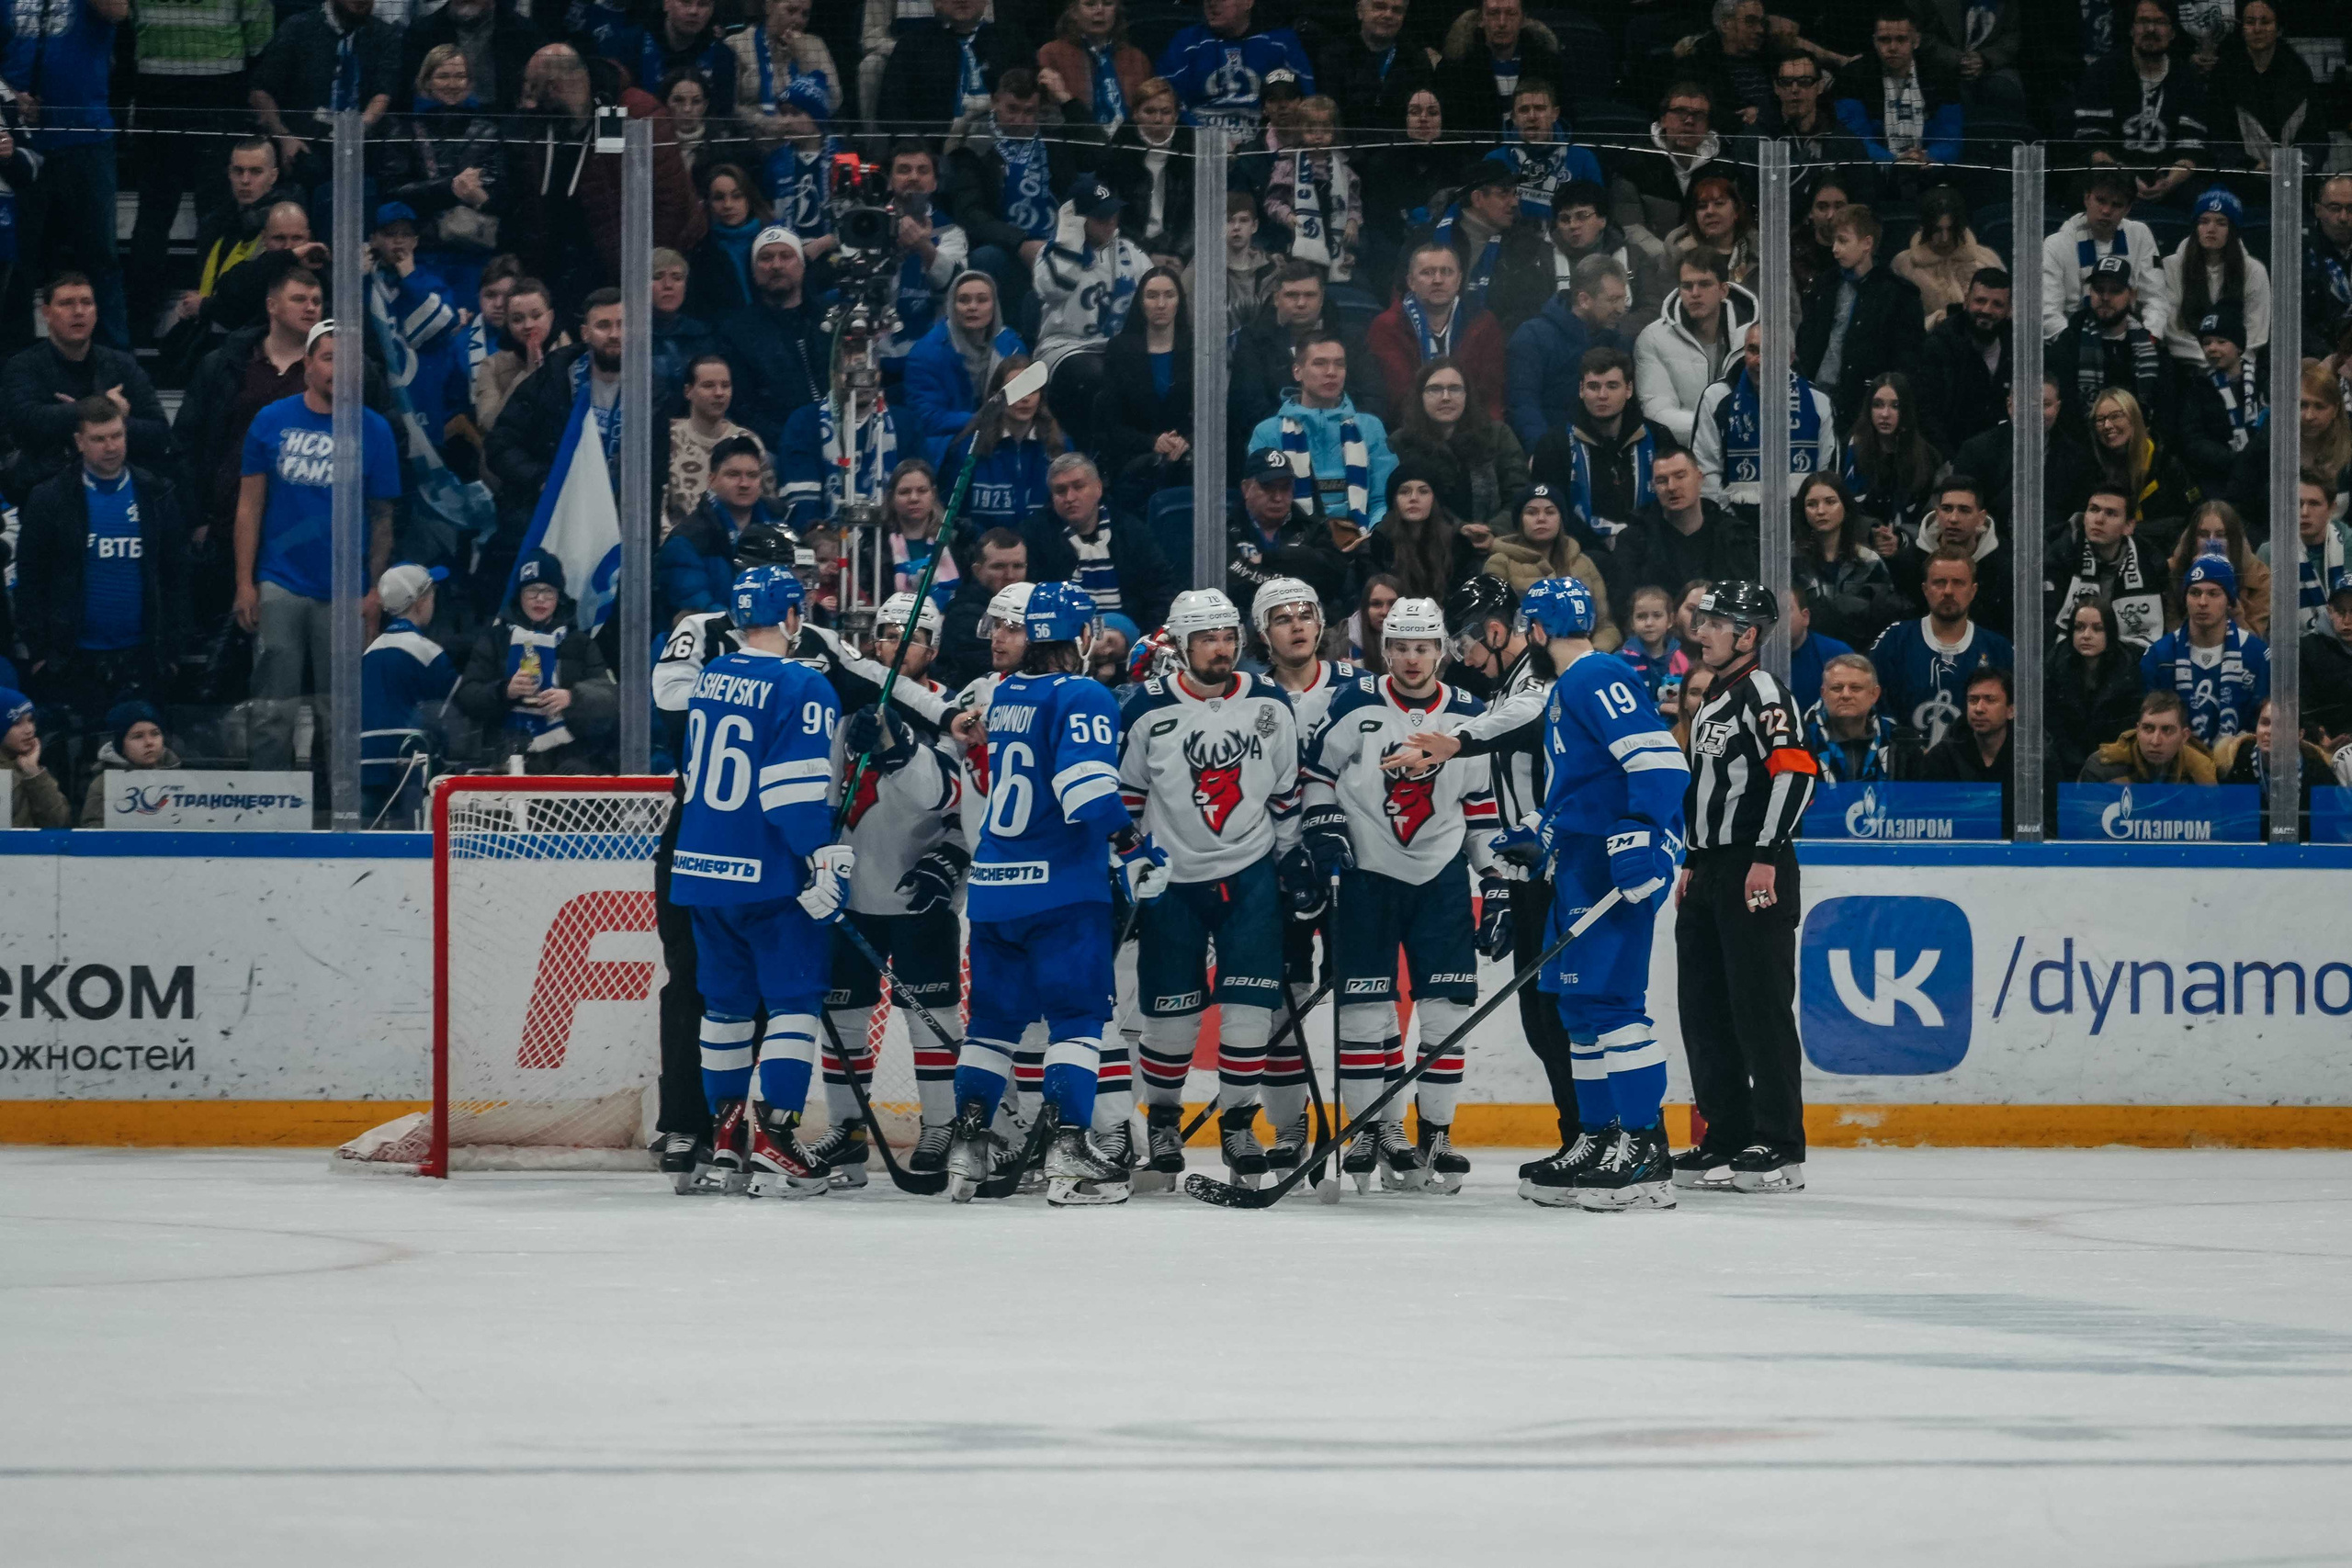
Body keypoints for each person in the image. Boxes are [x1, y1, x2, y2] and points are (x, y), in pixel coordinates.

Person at [1454, 576, 1687, 1208]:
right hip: (1579, 861)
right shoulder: (1566, 691)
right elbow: (1579, 788)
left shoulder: (1594, 676)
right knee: (1577, 1011)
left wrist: (1642, 833)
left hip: (1614, 864)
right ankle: (1599, 1134)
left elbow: (1661, 760)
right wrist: (1537, 833)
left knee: (1612, 1007)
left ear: (1533, 630)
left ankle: (1645, 1150)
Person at [946, 581, 1168, 1206]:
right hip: (1060, 893)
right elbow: (1086, 791)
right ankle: (1069, 1151)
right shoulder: (1084, 693)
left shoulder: (1007, 692)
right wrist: (1133, 847)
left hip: (992, 891)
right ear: (1079, 636)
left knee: (991, 1025)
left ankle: (968, 1145)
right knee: (1078, 1020)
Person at [1299, 595, 1499, 1192]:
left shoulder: (1468, 713)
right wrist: (1322, 826)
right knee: (1363, 1010)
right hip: (1366, 873)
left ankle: (1436, 1131)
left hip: (1440, 877)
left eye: (1423, 646)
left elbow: (1480, 804)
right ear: (1385, 651)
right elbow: (1318, 775)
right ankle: (1366, 1126)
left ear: (1440, 650)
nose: (1413, 658)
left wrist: (1493, 879)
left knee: (1446, 1011)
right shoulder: (1356, 701)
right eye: (1401, 647)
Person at [665, 564, 852, 1199]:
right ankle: (775, 1137)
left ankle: (725, 1140)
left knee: (725, 1008)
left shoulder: (711, 676)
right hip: (770, 874)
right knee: (793, 1003)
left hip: (701, 869)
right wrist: (818, 857)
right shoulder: (802, 683)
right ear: (793, 615)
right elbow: (792, 791)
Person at [1115, 588, 1303, 1185]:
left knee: (1251, 1009)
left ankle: (1237, 1121)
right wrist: (1127, 866)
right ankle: (1165, 1117)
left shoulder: (1270, 701)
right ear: (1180, 643)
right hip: (1173, 880)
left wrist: (1296, 859)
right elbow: (1126, 801)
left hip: (1250, 875)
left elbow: (1287, 794)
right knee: (1171, 1017)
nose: (1220, 649)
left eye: (1227, 637)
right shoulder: (1143, 709)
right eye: (1206, 638)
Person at [1672, 581, 1816, 1194]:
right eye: (1703, 621)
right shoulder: (1714, 700)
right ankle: (1726, 1133)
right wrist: (1691, 858)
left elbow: (1797, 772)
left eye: (1715, 622)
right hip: (1710, 870)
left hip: (1753, 868)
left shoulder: (1763, 692)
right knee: (1704, 1009)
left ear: (1748, 634)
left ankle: (1781, 1142)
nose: (1702, 631)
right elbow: (1707, 794)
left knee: (1760, 1008)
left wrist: (1766, 854)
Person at [818, 592, 965, 1182]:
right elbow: (827, 793)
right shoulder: (844, 711)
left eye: (913, 636)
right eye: (886, 634)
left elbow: (956, 802)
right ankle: (847, 1132)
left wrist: (948, 865)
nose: (898, 646)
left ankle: (940, 1129)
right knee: (845, 1018)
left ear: (934, 646)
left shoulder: (952, 712)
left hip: (918, 893)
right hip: (851, 892)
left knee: (932, 1014)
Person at [235, 321, 400, 773]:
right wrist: (244, 584)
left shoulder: (376, 430)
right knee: (272, 706)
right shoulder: (271, 420)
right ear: (307, 364)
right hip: (281, 581)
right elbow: (249, 507)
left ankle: (343, 809)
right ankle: (266, 801)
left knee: (341, 710)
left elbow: (383, 518)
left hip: (345, 592)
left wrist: (372, 593)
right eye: (329, 358)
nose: (338, 369)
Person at [1241, 576, 1356, 1166]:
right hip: (1273, 868)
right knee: (1281, 1002)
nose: (1297, 625)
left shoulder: (1356, 689)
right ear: (1264, 633)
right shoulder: (1247, 695)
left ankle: (1368, 1131)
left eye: (1306, 613)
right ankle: (1289, 1128)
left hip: (1349, 864)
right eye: (1282, 617)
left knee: (1364, 997)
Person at [14, 397, 190, 769]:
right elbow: (31, 581)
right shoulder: (49, 498)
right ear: (79, 442)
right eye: (98, 439)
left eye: (117, 436)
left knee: (145, 763)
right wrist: (41, 652)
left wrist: (171, 651)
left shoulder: (156, 493)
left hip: (142, 655)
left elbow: (175, 577)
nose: (110, 447)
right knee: (69, 765)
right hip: (72, 657)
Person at [501, 44, 706, 310]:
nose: (527, 100)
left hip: (622, 267)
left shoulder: (634, 112)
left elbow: (671, 201)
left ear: (553, 87)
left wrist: (640, 272)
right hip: (562, 262)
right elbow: (530, 199)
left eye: (532, 88)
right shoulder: (540, 121)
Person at [1, 275, 171, 503]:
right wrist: (106, 409)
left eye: (86, 302)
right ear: (47, 313)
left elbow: (159, 433)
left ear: (96, 311)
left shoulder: (122, 364)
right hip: (46, 489)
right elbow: (27, 422)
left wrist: (74, 415)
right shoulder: (23, 366)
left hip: (118, 488)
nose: (79, 311)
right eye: (66, 303)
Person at [451, 548, 618, 772]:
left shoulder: (580, 643)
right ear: (519, 595)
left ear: (559, 596)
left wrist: (572, 697)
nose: (540, 599)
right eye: (532, 591)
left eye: (548, 591)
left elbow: (610, 697)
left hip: (569, 755)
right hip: (506, 752)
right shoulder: (495, 639)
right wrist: (505, 691)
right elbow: (467, 696)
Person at [1032, 178, 1149, 453]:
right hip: (1063, 347)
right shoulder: (1051, 252)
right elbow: (1055, 286)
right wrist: (1070, 239)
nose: (1110, 222)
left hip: (1115, 348)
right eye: (1100, 217)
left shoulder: (1130, 253)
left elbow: (1152, 291)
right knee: (1095, 376)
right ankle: (1090, 452)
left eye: (1113, 213)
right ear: (1078, 219)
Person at [1248, 329, 1398, 540]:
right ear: (1297, 371)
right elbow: (1264, 505)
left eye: (1339, 364)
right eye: (1320, 363)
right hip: (1294, 547)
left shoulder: (1370, 428)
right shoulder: (1268, 432)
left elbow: (1383, 499)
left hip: (1363, 544)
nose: (1331, 372)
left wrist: (1372, 538)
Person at [1530, 346, 1660, 588]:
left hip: (1648, 549)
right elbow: (1550, 515)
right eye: (1593, 386)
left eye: (1612, 386)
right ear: (1581, 390)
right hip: (1579, 556)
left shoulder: (1658, 438)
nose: (1602, 395)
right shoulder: (1554, 445)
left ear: (1629, 389)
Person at [1693, 323, 1841, 521]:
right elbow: (1705, 469)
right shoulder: (1716, 397)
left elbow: (1827, 474)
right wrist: (1729, 523)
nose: (1760, 360)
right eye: (1752, 350)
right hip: (1732, 525)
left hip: (1802, 524)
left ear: (1789, 357)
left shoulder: (1817, 401)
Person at [248, 0, 401, 190]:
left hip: (359, 141)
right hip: (303, 140)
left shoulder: (385, 34)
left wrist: (359, 128)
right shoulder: (297, 28)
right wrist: (283, 137)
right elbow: (260, 91)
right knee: (307, 169)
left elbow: (382, 93)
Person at [1869, 547, 2013, 748]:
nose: (1948, 591)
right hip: (1907, 770)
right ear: (1925, 589)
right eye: (1939, 582)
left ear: (1973, 591)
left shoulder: (1999, 649)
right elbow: (1874, 708)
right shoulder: (1895, 641)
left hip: (1975, 772)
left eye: (1958, 583)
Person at [1229, 261, 1384, 446]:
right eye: (1292, 295)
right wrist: (1307, 433)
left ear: (1321, 298)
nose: (1301, 303)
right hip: (1277, 445)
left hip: (1347, 441)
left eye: (1310, 295)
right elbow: (1249, 408)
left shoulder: (1351, 339)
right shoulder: (1252, 341)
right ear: (1277, 298)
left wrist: (1334, 432)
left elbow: (1373, 399)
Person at [1795, 204, 1923, 425]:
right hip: (1814, 397)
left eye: (1843, 241)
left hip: (1865, 407)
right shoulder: (1824, 286)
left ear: (1867, 243)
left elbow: (1907, 363)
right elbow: (1805, 342)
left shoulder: (1898, 296)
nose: (1834, 249)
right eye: (1834, 241)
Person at [2072, 0, 2207, 202]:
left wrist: (2169, 182)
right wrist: (2126, 179)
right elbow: (2091, 143)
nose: (2151, 29)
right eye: (2143, 21)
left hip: (2172, 185)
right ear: (2131, 29)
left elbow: (2193, 148)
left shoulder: (2187, 79)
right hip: (2111, 179)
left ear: (2173, 32)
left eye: (2160, 22)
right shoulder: (2102, 73)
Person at [1020, 453, 1174, 628]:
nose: (1069, 497)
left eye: (1078, 487)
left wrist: (1139, 641)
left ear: (1098, 488)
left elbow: (1161, 592)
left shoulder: (1132, 532)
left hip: (1131, 642)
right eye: (1060, 490)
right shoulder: (1033, 536)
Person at [358, 563, 458, 827]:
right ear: (420, 602)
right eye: (432, 594)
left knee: (368, 839)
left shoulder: (370, 650)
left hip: (368, 759)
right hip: (409, 764)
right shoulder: (427, 653)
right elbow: (451, 710)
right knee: (409, 834)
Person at [1368, 237, 1507, 422]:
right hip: (1411, 431)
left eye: (1446, 272)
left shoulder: (1483, 322)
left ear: (1459, 280)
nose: (1438, 280)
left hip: (1474, 429)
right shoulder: (1387, 326)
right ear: (1411, 281)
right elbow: (1400, 395)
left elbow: (1491, 394)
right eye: (1427, 272)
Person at [718, 227, 830, 454]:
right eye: (766, 258)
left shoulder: (831, 320)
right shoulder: (737, 332)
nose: (776, 266)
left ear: (802, 264)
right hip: (776, 449)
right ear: (754, 270)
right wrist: (793, 440)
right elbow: (743, 408)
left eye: (786, 256)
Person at [1505, 252, 1630, 451]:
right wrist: (1544, 452)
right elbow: (1523, 404)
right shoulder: (1532, 337)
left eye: (1623, 299)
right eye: (1613, 300)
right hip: (1553, 451)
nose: (1620, 308)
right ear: (1584, 300)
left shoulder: (1618, 342)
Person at [1392, 356, 1528, 538]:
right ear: (1420, 396)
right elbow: (1398, 505)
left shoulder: (1498, 436)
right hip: (1425, 544)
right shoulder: (1401, 443)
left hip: (1495, 544)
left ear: (1467, 395)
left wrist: (1491, 530)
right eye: (1435, 389)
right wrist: (1458, 529)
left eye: (1455, 389)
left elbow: (1520, 496)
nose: (1446, 397)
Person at [2141, 552, 2266, 749]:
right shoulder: (2159, 655)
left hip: (2242, 767)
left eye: (2213, 593)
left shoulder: (2257, 655)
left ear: (2229, 600)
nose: (2202, 602)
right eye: (2195, 593)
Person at [902, 270, 1026, 466]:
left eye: (982, 300)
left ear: (995, 306)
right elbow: (927, 418)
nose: (972, 307)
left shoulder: (1011, 345)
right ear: (952, 306)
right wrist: (982, 420)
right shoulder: (926, 352)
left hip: (1002, 432)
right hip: (948, 443)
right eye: (964, 300)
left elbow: (1025, 399)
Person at [663, 436, 791, 626]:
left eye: (752, 475)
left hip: (774, 640)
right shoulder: (686, 540)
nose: (744, 483)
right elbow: (697, 607)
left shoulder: (781, 527)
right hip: (714, 647)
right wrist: (753, 627)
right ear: (711, 479)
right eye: (733, 474)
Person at [1634, 248, 1751, 447]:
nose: (1695, 294)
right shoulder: (1654, 338)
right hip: (1683, 457)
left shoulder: (1753, 336)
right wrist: (1722, 428)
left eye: (1704, 284)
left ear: (1723, 290)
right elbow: (1657, 414)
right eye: (1687, 286)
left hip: (1747, 453)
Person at [1831, 4, 1964, 178]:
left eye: (1901, 39)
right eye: (1884, 40)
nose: (1892, 47)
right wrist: (1893, 161)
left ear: (1916, 41)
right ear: (1874, 41)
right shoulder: (1852, 77)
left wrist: (1929, 157)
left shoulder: (1941, 76)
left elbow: (1950, 137)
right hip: (1872, 176)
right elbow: (1855, 139)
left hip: (1930, 173)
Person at [777, 344, 899, 536]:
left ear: (879, 374)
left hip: (889, 544)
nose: (861, 381)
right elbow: (803, 505)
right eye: (850, 373)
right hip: (825, 546)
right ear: (833, 375)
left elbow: (915, 492)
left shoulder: (905, 423)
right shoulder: (803, 423)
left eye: (870, 372)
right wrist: (821, 538)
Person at [943, 354, 1066, 538]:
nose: (1025, 399)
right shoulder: (967, 449)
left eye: (1032, 390)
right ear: (996, 397)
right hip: (984, 556)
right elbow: (953, 516)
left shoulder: (1060, 449)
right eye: (1016, 389)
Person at [1098, 265, 1193, 505]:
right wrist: (1152, 441)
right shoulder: (1119, 350)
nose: (1161, 304)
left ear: (1179, 301)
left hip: (1188, 456)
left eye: (1169, 295)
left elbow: (1210, 415)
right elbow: (1111, 423)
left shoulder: (1197, 348)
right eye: (1152, 296)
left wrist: (1186, 440)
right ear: (1140, 302)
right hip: (1133, 458)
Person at [1225, 446, 1354, 621]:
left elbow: (1333, 575)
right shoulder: (1225, 529)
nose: (1278, 498)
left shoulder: (1311, 528)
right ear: (1246, 489)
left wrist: (1274, 559)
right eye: (1268, 488)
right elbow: (1232, 585)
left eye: (1285, 488)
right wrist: (1296, 573)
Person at [2040, 166, 2168, 342]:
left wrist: (2149, 338)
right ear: (2086, 198)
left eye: (2116, 205)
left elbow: (2155, 299)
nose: (2107, 211)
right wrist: (2074, 346)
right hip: (2073, 342)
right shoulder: (2056, 244)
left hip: (2130, 342)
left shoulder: (2140, 235)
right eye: (2101, 200)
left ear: (2128, 208)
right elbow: (2048, 312)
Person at [1617, 446, 1758, 604]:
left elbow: (1747, 600)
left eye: (1680, 476)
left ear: (1699, 478)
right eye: (1662, 481)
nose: (1671, 487)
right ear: (1654, 487)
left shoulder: (1733, 535)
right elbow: (1626, 605)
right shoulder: (1635, 539)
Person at [1155, 0, 1313, 133]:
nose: (1211, 4)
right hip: (1197, 146)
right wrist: (1204, 138)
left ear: (1248, 3)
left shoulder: (1281, 43)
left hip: (1265, 147)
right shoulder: (1185, 42)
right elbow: (1164, 100)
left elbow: (1308, 101)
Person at [2045, 482, 2169, 649]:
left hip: (2126, 663)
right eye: (2094, 510)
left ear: (2129, 526)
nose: (2099, 519)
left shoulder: (2151, 562)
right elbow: (2047, 624)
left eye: (2110, 513)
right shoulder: (2062, 555)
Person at [1792, 473, 1903, 650]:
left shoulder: (1869, 561)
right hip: (1804, 652)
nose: (1820, 511)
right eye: (1812, 504)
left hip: (1859, 655)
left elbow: (1884, 620)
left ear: (1845, 506)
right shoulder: (1789, 561)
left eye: (1830, 502)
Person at [2047, 594, 2152, 783]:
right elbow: (2052, 725)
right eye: (2079, 627)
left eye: (2097, 628)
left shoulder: (2129, 668)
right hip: (2064, 762)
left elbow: (2127, 731)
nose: (2086, 635)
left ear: (2110, 633)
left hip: (2113, 763)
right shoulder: (2055, 662)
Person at [2083, 384, 2199, 551]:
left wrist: (2136, 531)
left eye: (2116, 416)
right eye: (2100, 420)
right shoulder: (2090, 468)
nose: (2107, 425)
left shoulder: (2166, 464)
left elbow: (2192, 518)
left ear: (2134, 418)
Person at [876, 0, 1029, 128]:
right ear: (937, 3)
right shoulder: (913, 44)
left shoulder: (1011, 40)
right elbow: (891, 108)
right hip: (934, 147)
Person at [2163, 187, 2269, 367]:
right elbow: (2172, 330)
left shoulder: (2254, 270)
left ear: (2233, 229)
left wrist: (2233, 365)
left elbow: (2256, 332)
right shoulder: (2171, 266)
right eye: (2204, 222)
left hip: (2238, 367)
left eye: (2221, 223)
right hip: (2185, 364)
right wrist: (2208, 362)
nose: (2211, 229)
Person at [665, 354, 770, 532]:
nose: (719, 393)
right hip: (680, 545)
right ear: (688, 391)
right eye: (708, 386)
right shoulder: (668, 439)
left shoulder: (749, 441)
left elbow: (767, 505)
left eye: (725, 386)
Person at [2206, 0, 2312, 175]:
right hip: (2240, 178)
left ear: (2279, 29)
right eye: (2250, 22)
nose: (2257, 29)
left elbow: (2314, 135)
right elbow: (2217, 137)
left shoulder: (2298, 72)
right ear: (2242, 28)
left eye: (2265, 22)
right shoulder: (2225, 73)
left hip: (2292, 177)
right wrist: (2248, 165)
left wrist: (2298, 165)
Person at [1431, 0, 1565, 137]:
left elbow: (1566, 120)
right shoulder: (1454, 69)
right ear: (1480, 20)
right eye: (1494, 13)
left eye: (1511, 14)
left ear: (1523, 20)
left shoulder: (1548, 65)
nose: (1502, 22)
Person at [1611, 80, 1724, 243]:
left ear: (1707, 125)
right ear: (1663, 119)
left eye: (1699, 115)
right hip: (1651, 264)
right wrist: (1672, 256)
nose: (1689, 121)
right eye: (1680, 112)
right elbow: (1629, 228)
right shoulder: (1634, 161)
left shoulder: (1724, 166)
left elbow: (1735, 226)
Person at [1915, 267, 2012, 454]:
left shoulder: (2017, 348)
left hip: (2003, 459)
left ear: (2009, 310)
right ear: (1966, 301)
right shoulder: (1939, 346)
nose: (1986, 310)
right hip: (1951, 459)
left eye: (1997, 304)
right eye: (1980, 301)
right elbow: (1926, 415)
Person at [1102, 79, 1193, 270]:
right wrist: (1146, 253)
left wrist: (1179, 255)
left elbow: (1199, 216)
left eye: (1165, 112)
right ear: (1135, 114)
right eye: (1150, 111)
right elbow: (1110, 216)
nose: (1158, 119)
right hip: (1129, 249)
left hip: (1182, 253)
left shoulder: (1194, 150)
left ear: (1176, 115)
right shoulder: (1117, 152)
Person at [398, 0, 547, 115]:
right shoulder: (421, 33)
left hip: (508, 127)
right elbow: (408, 92)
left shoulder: (524, 33)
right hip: (439, 126)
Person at [1841, 372, 1940, 535]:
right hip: (1858, 541)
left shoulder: (1927, 456)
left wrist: (1901, 539)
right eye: (1878, 405)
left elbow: (1930, 518)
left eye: (1895, 406)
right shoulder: (1850, 448)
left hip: (1908, 545)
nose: (1885, 414)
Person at [1891, 186, 2001, 331]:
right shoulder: (1905, 267)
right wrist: (1934, 323)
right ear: (1925, 228)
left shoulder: (1986, 261)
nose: (1945, 238)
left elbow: (2008, 312)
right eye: (1937, 230)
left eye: (1951, 229)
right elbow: (1898, 326)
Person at [2180, 305, 2263, 492]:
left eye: (2221, 341)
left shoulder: (2262, 379)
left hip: (2261, 472)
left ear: (2239, 346)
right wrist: (2232, 459)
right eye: (2207, 343)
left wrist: (2253, 456)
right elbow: (2194, 439)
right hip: (2218, 479)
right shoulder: (2197, 385)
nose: (2212, 348)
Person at [1316, 0, 1431, 132]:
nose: (1388, 15)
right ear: (1360, 11)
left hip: (1402, 148)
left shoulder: (1416, 60)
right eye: (1379, 7)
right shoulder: (1334, 56)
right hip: (1346, 147)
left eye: (1397, 10)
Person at [935, 526, 1028, 688]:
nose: (1010, 575)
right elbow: (986, 665)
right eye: (999, 566)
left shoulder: (1036, 608)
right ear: (977, 570)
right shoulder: (963, 614)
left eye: (1018, 566)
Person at [2262, 470, 2351, 639]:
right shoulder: (2270, 553)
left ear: (2332, 508)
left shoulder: (2349, 545)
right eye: (2298, 503)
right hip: (2293, 650)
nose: (2304, 512)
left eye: (2314, 504)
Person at [1919, 664, 2014, 821]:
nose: (1979, 708)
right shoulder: (1942, 756)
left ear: (2011, 710)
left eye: (1990, 700)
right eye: (1973, 700)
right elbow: (1929, 818)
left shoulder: (2032, 757)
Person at [1804, 650, 1917, 782]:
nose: (1845, 695)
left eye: (1855, 688)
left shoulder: (1901, 742)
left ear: (1874, 694)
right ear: (1823, 694)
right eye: (1837, 688)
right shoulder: (1800, 740)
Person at [2167, 500, 2269, 639]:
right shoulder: (2173, 570)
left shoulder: (2260, 576)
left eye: (2220, 535)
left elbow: (2257, 645)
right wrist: (2195, 581)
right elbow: (2173, 635)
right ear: (2193, 538)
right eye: (2203, 534)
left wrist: (2236, 614)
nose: (2211, 541)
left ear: (2233, 539)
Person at [76, 699, 180, 828]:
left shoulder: (181, 779)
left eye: (155, 734)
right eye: (138, 736)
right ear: (121, 746)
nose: (149, 742)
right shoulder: (104, 783)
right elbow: (92, 832)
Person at [2079, 687, 2216, 784]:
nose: (2155, 741)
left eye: (2167, 730)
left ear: (2184, 736)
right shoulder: (2103, 768)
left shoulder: (2200, 774)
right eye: (2148, 729)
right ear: (2137, 730)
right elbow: (2083, 822)